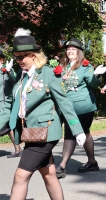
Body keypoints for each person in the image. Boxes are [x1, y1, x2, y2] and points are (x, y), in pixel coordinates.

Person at [0, 28, 86, 199]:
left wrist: (77, 129)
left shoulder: (48, 73)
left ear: (33, 55)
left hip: (45, 133)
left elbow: (64, 102)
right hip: (30, 133)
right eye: (16, 57)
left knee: (20, 176)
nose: (18, 61)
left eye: (21, 57)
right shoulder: (20, 75)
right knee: (49, 174)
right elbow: (10, 103)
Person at [56, 38, 106, 179]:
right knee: (85, 133)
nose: (70, 51)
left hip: (83, 108)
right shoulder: (63, 67)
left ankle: (62, 166)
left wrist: (96, 74)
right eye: (68, 49)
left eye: (73, 49)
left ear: (79, 52)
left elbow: (92, 82)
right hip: (68, 108)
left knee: (71, 134)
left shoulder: (85, 66)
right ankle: (92, 162)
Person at [0, 50, 23, 158]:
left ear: (1, 59)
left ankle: (18, 149)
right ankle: (18, 149)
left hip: (4, 103)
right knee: (8, 129)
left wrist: (9, 71)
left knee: (8, 128)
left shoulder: (6, 70)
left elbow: (15, 81)